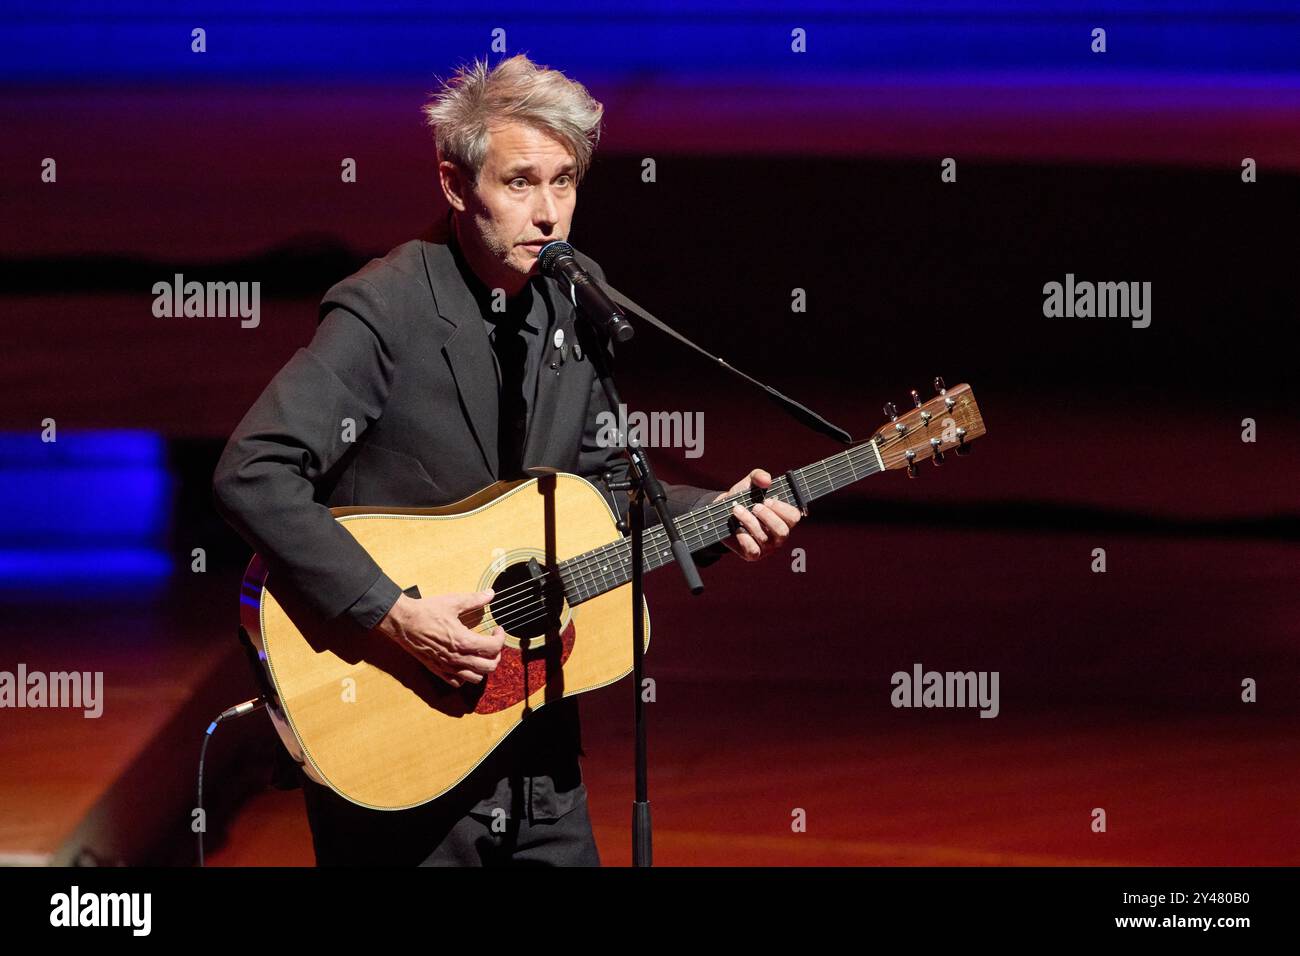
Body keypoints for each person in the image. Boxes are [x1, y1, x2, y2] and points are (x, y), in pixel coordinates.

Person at [212, 54, 802, 866]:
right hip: (396, 730)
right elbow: (253, 469)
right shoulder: (385, 308)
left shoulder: (574, 299)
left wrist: (714, 513)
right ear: (456, 185)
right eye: (520, 182)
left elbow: (604, 487)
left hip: (535, 736)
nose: (549, 212)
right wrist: (392, 612)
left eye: (564, 182)